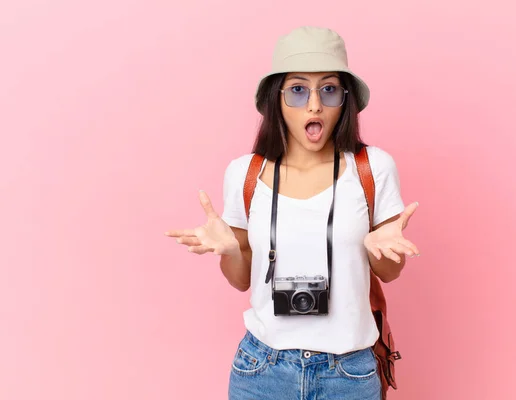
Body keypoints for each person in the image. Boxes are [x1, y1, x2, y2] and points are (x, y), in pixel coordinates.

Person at [165, 26, 420, 400]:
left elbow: (391, 272)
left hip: (348, 374)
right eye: (298, 90)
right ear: (277, 99)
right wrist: (233, 251)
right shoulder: (245, 173)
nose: (314, 105)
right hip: (262, 370)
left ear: (345, 99)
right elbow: (241, 282)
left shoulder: (373, 168)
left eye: (328, 89)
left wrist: (374, 248)